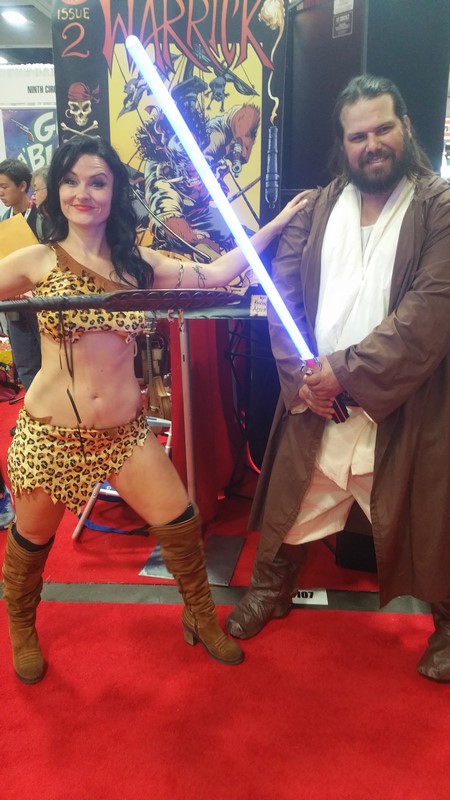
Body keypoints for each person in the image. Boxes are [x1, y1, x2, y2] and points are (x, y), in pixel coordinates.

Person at [0, 134, 307, 684]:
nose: (83, 193)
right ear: (56, 192)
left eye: (97, 182)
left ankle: (200, 615)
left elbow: (215, 274)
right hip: (51, 435)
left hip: (124, 433)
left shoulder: (137, 265)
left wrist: (278, 223)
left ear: (115, 191)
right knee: (32, 542)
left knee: (180, 523)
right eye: (71, 181)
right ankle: (22, 626)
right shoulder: (37, 260)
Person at [225, 74, 450, 683]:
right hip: (318, 401)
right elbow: (284, 297)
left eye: (383, 128)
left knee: (429, 518)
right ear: (343, 143)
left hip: (401, 404)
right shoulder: (318, 206)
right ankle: (271, 589)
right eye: (358, 136)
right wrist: (303, 378)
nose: (372, 144)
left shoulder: (439, 207)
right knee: (294, 503)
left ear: (406, 127)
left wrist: (345, 373)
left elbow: (429, 312)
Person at [0, 159, 42, 391]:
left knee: (52, 357)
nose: (0, 192)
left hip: (42, 300)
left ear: (23, 185)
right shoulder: (3, 221)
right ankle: (34, 408)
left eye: (4, 186)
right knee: (25, 360)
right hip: (13, 301)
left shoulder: (43, 216)